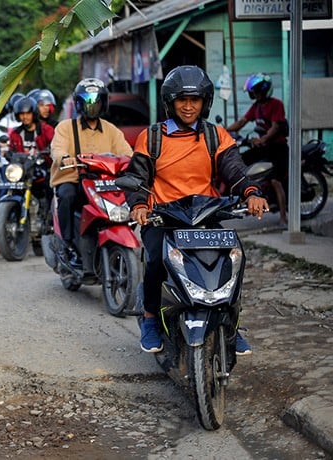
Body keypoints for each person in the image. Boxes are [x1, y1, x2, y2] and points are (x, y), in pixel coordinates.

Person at [122, 65, 269, 355]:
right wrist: (139, 205)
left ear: (205, 102)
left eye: (195, 100)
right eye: (182, 100)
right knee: (155, 261)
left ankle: (229, 323)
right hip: (163, 217)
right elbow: (137, 178)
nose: (188, 107)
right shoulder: (152, 137)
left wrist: (251, 193)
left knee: (233, 260)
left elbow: (234, 170)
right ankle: (151, 319)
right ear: (170, 102)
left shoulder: (216, 136)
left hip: (206, 215)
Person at [50, 78, 132, 268]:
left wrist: (135, 162)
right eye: (87, 101)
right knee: (67, 195)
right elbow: (58, 150)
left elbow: (127, 153)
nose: (92, 105)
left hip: (103, 183)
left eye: (96, 101)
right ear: (78, 103)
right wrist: (64, 158)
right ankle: (67, 244)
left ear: (103, 102)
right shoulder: (65, 127)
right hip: (73, 178)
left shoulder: (112, 130)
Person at [0, 96, 54, 257]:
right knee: (9, 188)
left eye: (28, 113)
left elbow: (55, 144)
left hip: (42, 170)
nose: (25, 117)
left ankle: (49, 223)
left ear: (33, 113)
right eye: (21, 114)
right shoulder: (16, 133)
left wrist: (50, 152)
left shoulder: (45, 130)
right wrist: (6, 152)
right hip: (23, 172)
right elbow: (11, 149)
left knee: (50, 191)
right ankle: (2, 234)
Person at [226, 73, 288, 226]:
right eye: (252, 92)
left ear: (264, 90)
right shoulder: (257, 107)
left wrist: (263, 139)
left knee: (275, 180)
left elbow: (275, 127)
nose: (253, 94)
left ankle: (283, 218)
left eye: (256, 91)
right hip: (264, 148)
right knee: (242, 163)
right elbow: (242, 121)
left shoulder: (276, 104)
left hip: (278, 149)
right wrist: (223, 131)